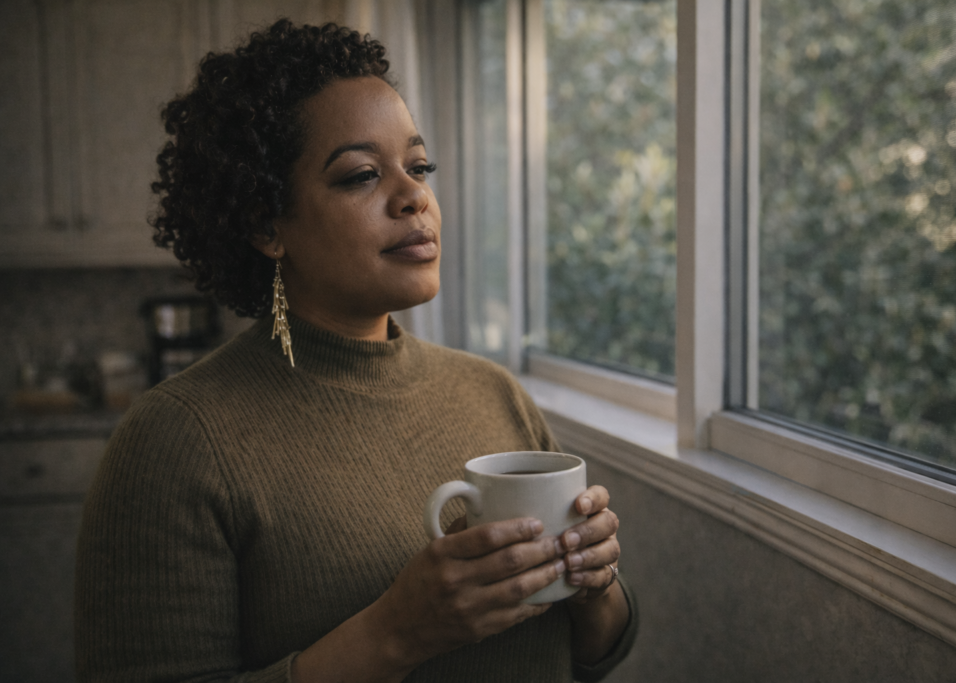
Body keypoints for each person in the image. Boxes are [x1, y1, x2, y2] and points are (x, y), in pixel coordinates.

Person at [74, 19, 636, 683]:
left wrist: (597, 585)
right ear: (265, 224)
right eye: (362, 175)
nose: (413, 196)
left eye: (419, 166)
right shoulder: (176, 441)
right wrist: (394, 634)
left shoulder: (494, 392)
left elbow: (595, 657)